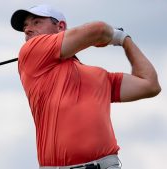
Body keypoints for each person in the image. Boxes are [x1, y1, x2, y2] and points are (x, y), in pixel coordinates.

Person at [10, 4, 161, 169]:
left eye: (36, 22)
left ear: (60, 26)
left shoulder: (98, 75)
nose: (27, 29)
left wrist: (125, 39)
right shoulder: (31, 52)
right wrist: (113, 36)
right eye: (25, 26)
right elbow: (99, 30)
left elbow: (150, 85)